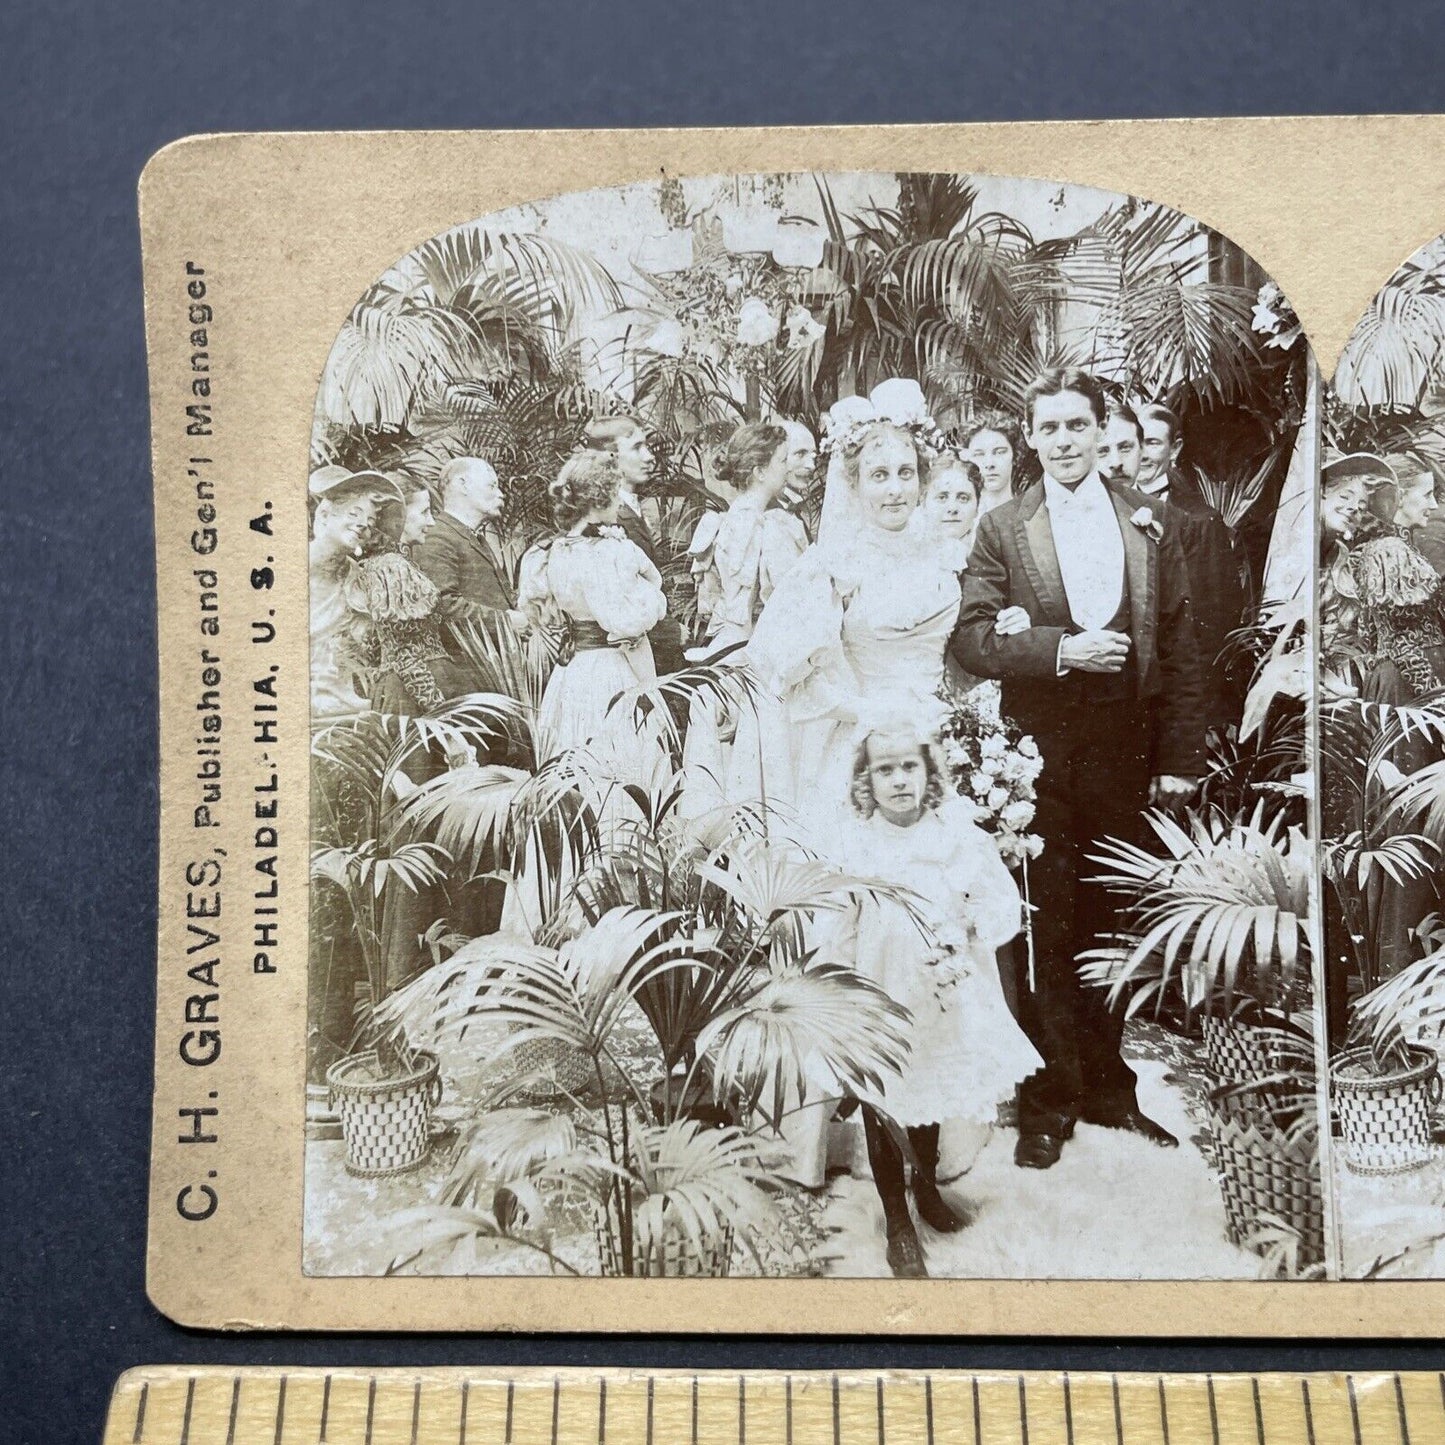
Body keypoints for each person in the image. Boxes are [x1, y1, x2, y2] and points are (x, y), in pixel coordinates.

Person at [954, 367, 1206, 1170]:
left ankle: (1109, 1088)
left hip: (1127, 751)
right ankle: (1048, 1099)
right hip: (1036, 757)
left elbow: (1182, 644)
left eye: (1076, 426)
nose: (1062, 441)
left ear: (1103, 432)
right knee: (1045, 923)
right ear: (1028, 437)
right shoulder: (1002, 525)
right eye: (1048, 428)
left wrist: (1175, 758)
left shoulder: (1150, 520)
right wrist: (1059, 650)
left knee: (1111, 920)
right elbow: (971, 638)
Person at [823, 709, 1040, 1277]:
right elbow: (838, 924)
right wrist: (841, 988)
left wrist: (972, 922)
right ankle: (896, 1217)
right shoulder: (855, 844)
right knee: (886, 1101)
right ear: (864, 781)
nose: (898, 781)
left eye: (909, 768)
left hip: (941, 993)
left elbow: (999, 905)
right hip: (881, 992)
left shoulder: (956, 836)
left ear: (929, 772)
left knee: (930, 1092)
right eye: (884, 770)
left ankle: (926, 1189)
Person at [517, 451, 669, 775]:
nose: (618, 503)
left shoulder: (551, 552)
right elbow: (632, 635)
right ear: (602, 500)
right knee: (620, 765)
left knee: (575, 760)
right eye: (615, 494)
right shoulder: (611, 554)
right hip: (610, 672)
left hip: (571, 673)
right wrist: (651, 691)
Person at [1128, 403, 1248, 731]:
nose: (1142, 453)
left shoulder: (1201, 521)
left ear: (1175, 448)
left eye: (1152, 442)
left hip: (1177, 690)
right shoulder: (1105, 511)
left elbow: (1215, 619)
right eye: (1135, 442)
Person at [410, 456, 527, 697]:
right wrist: (506, 621)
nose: (501, 494)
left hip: (491, 671)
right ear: (463, 485)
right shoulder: (436, 536)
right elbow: (441, 604)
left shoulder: (471, 536)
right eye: (492, 486)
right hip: (466, 678)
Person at [581, 416, 686, 678]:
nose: (649, 457)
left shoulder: (628, 509)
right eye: (638, 448)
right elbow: (619, 600)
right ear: (611, 458)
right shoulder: (606, 518)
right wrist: (671, 632)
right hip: (634, 658)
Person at [309, 467, 394, 718]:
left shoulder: (357, 576)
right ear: (324, 515)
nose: (362, 526)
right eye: (354, 514)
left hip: (345, 702)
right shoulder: (290, 566)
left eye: (370, 523)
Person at [962, 412, 1026, 516]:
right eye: (979, 454)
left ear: (1015, 455)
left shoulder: (1032, 514)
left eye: (999, 452)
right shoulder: (960, 516)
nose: (989, 464)